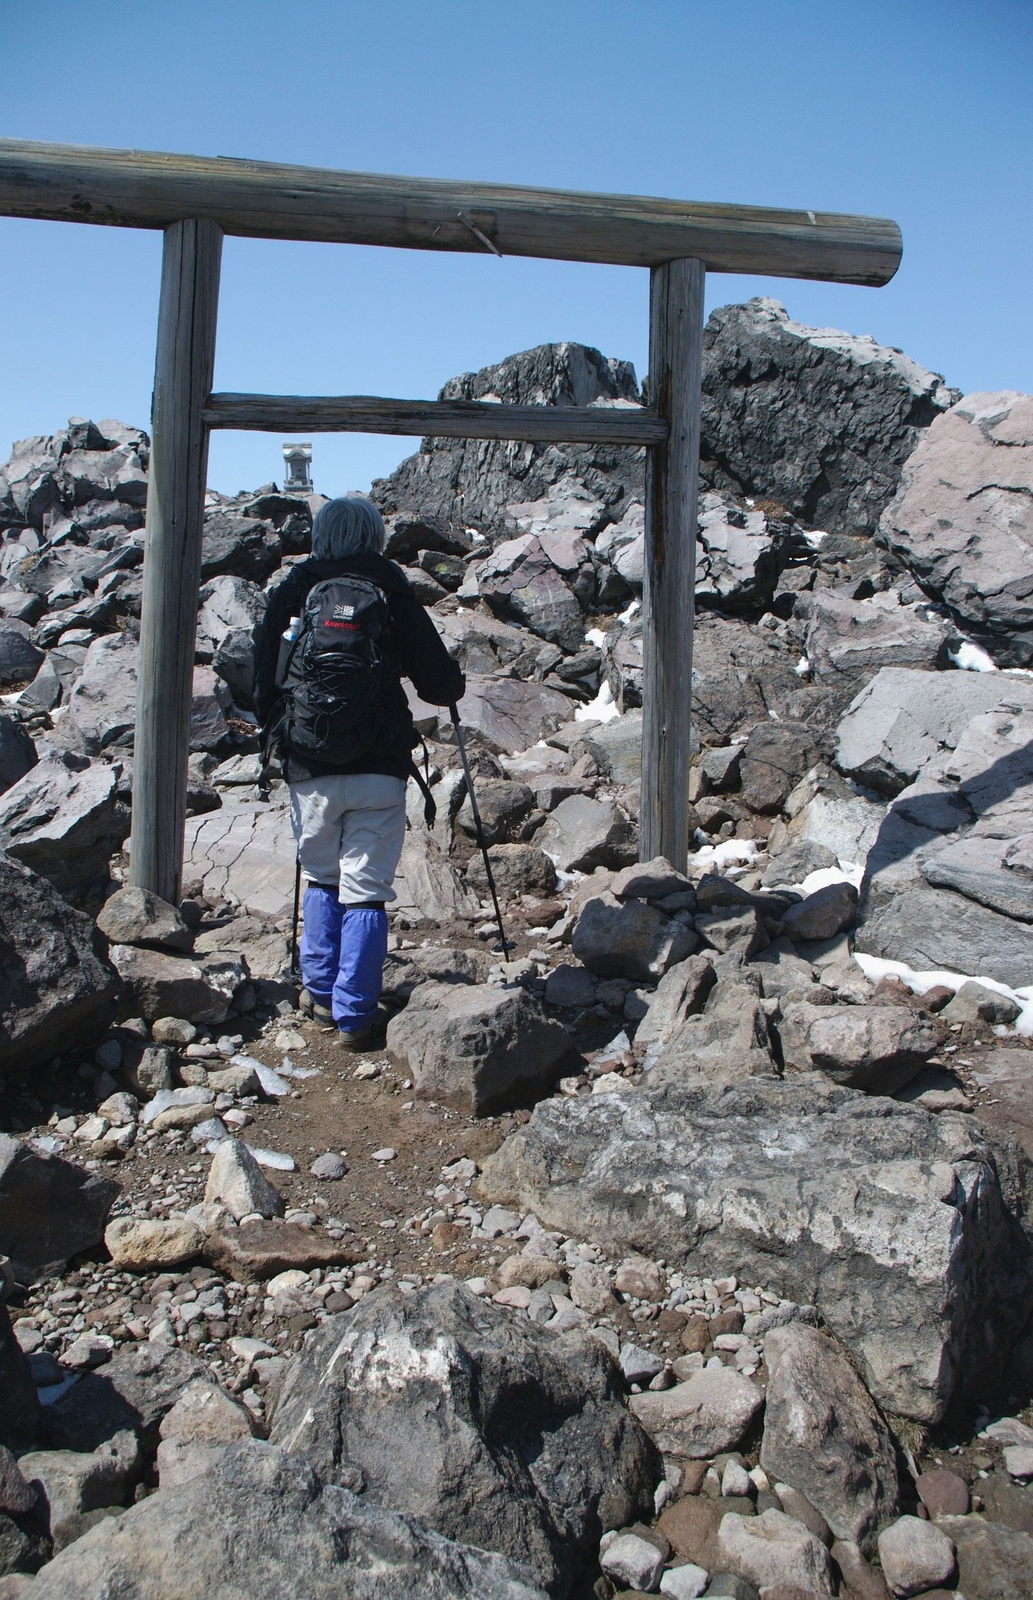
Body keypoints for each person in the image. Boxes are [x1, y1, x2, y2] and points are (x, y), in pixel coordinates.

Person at [253, 495, 464, 1049]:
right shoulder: (391, 588)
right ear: (374, 537)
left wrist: (280, 733)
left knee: (323, 877)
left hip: (309, 763)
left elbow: (263, 678)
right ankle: (355, 1016)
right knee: (366, 890)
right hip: (379, 764)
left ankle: (321, 995)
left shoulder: (295, 589)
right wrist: (452, 682)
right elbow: (439, 684)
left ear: (321, 536)